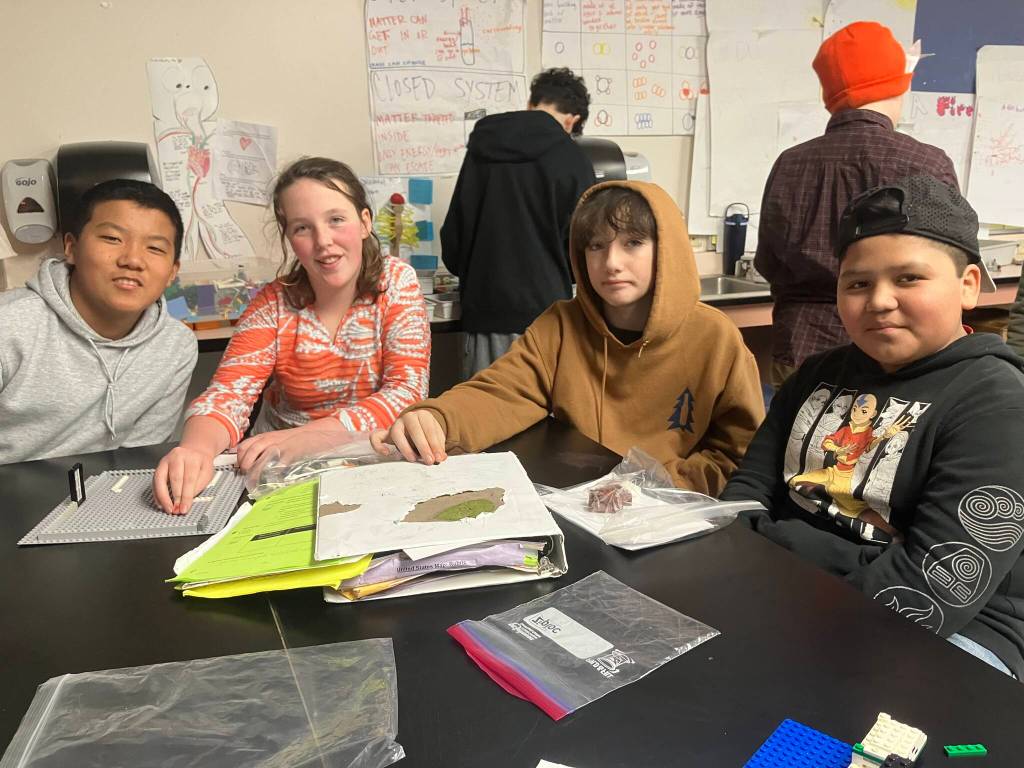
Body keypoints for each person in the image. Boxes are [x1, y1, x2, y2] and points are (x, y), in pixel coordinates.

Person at [723, 175, 1024, 679]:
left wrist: (786, 542)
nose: (879, 300)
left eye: (908, 278)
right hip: (792, 592)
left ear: (969, 285)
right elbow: (746, 495)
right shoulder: (817, 374)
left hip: (962, 634)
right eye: (858, 283)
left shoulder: (997, 404)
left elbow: (932, 590)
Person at [373, 181, 765, 495]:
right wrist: (438, 418)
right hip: (576, 500)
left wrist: (667, 486)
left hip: (668, 513)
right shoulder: (561, 324)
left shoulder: (714, 337)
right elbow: (501, 392)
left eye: (632, 243)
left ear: (668, 249)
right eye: (596, 246)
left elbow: (738, 452)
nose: (611, 262)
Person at [155, 157, 430, 514]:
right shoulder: (273, 303)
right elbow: (227, 395)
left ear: (364, 222)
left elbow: (405, 394)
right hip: (283, 472)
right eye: (302, 228)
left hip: (375, 461)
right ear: (289, 237)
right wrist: (195, 449)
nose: (323, 242)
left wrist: (310, 437)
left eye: (336, 220)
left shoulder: (396, 282)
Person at [756, 20, 958, 389]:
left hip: (802, 343)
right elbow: (948, 264)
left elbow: (768, 262)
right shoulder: (926, 164)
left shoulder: (790, 162)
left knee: (798, 443)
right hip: (893, 344)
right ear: (899, 84)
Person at [0, 179, 196, 465]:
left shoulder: (176, 347)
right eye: (112, 239)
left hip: (103, 496)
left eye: (154, 248)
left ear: (172, 272)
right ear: (71, 248)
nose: (132, 260)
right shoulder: (9, 326)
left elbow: (138, 458)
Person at [442, 67, 596, 379]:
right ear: (573, 120)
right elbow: (583, 247)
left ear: (532, 103)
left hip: (485, 314)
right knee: (545, 418)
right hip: (548, 315)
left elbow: (454, 240)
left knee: (482, 417)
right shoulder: (573, 159)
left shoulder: (482, 148)